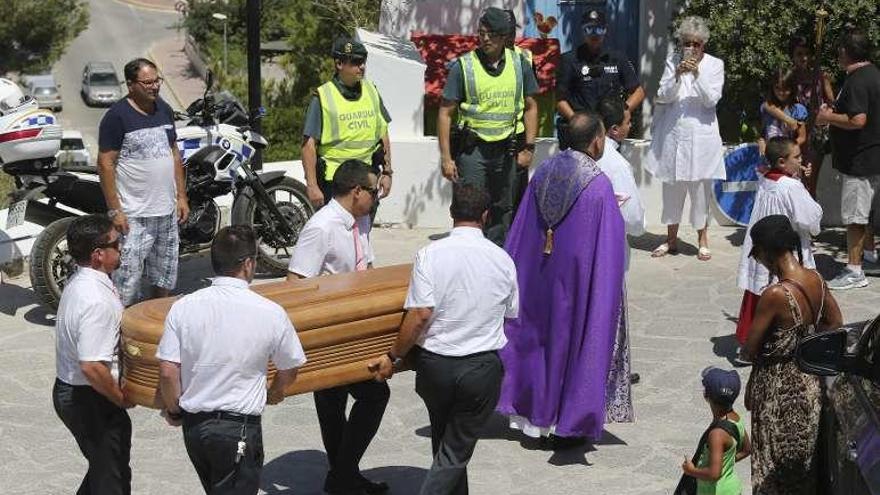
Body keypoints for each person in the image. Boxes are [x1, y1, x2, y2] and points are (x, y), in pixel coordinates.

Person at [370, 184, 518, 495]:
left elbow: (421, 314)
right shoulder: (502, 259)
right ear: (486, 216)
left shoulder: (429, 255)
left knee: (445, 444)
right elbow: (510, 313)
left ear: (452, 214)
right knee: (453, 453)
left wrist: (394, 355)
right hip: (480, 369)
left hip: (435, 368)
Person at [497, 110, 631, 447]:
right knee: (569, 343)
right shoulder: (598, 185)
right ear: (597, 142)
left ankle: (530, 416)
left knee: (538, 341)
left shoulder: (543, 172)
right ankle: (564, 423)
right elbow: (608, 247)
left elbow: (522, 227)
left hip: (538, 275)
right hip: (575, 283)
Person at [157, 225, 306, 495]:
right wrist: (275, 392)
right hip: (237, 431)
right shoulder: (270, 312)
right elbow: (290, 366)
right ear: (248, 264)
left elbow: (168, 371)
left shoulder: (183, 307)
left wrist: (175, 410)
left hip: (195, 429)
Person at [287, 160, 389, 495]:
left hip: (356, 329)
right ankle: (343, 475)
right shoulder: (322, 227)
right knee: (366, 397)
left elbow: (367, 269)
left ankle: (343, 475)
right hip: (330, 334)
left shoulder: (358, 222)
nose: (377, 196)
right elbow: (296, 284)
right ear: (357, 190)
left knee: (338, 405)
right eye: (373, 191)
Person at [740, 215, 843, 494]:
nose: (758, 261)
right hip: (809, 384)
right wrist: (807, 343)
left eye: (757, 254)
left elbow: (750, 349)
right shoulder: (816, 280)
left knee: (772, 465)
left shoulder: (774, 295)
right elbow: (835, 323)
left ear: (767, 251)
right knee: (802, 465)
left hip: (776, 389)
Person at [437, 6, 539, 246]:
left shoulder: (520, 64)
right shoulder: (464, 67)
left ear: (504, 37)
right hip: (473, 152)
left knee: (503, 208)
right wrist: (446, 158)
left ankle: (496, 256)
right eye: (482, 32)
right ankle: (466, 257)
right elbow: (445, 112)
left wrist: (529, 148)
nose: (485, 38)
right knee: (468, 208)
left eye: (492, 34)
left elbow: (532, 107)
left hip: (508, 151)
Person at [97, 57, 189, 307]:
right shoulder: (116, 117)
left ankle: (155, 329)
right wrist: (115, 210)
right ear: (131, 85)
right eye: (147, 82)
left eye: (156, 81)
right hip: (134, 217)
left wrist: (181, 197)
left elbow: (174, 152)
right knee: (126, 283)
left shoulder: (164, 109)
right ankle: (121, 335)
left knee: (165, 279)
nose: (154, 87)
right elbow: (105, 163)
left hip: (166, 214)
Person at [52, 214, 134, 494]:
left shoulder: (84, 281)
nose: (121, 246)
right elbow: (91, 366)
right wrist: (120, 398)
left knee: (106, 470)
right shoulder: (96, 301)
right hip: (88, 399)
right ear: (98, 254)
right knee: (112, 479)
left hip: (80, 394)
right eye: (116, 242)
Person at [646, 16, 725, 262]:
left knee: (700, 189)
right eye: (686, 43)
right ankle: (671, 239)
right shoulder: (672, 61)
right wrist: (677, 75)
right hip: (674, 136)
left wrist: (697, 74)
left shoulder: (715, 65)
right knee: (672, 188)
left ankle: (703, 239)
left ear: (703, 44)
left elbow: (711, 99)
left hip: (701, 138)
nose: (691, 47)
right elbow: (662, 95)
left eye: (696, 43)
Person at [735, 138, 821, 358]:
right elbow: (809, 218)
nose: (802, 161)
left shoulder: (766, 179)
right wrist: (804, 186)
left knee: (759, 289)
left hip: (763, 245)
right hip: (784, 247)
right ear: (782, 162)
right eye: (798, 157)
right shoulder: (791, 186)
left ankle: (750, 339)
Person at [817, 31, 880, 290]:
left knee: (855, 216)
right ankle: (869, 256)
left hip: (860, 160)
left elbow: (857, 120)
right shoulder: (874, 74)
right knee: (866, 212)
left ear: (845, 52)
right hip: (873, 156)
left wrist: (827, 118)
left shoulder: (856, 81)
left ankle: (854, 271)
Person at [301, 37, 393, 212]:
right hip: (335, 185)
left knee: (362, 238)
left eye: (363, 61)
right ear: (339, 63)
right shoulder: (322, 97)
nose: (362, 67)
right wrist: (312, 185)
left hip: (367, 181)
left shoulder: (371, 91)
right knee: (337, 237)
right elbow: (308, 146)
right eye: (356, 62)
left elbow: (383, 134)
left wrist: (387, 173)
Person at [555, 8, 645, 149]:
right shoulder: (569, 60)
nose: (594, 35)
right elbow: (560, 100)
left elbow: (638, 92)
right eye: (589, 29)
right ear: (582, 31)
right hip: (579, 135)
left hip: (609, 136)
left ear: (605, 31)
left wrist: (623, 111)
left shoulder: (617, 59)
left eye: (599, 29)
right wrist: (577, 121)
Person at [763, 35, 835, 197]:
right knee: (790, 178)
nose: (804, 58)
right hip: (793, 135)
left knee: (810, 180)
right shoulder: (789, 77)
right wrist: (788, 119)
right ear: (792, 56)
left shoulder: (820, 76)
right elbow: (768, 105)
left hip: (814, 135)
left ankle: (810, 214)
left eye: (807, 54)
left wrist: (826, 112)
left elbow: (832, 102)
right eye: (799, 54)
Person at [681, 367, 751, 495]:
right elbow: (747, 449)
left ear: (706, 396)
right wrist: (722, 462)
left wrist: (691, 470)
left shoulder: (717, 434)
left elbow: (714, 474)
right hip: (732, 488)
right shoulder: (736, 419)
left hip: (716, 491)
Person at [757, 69, 808, 156]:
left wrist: (788, 149)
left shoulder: (798, 110)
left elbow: (802, 137)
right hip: (769, 158)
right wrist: (761, 141)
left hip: (788, 158)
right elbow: (763, 132)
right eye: (777, 88)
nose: (781, 92)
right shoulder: (766, 108)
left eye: (785, 89)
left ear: (792, 88)